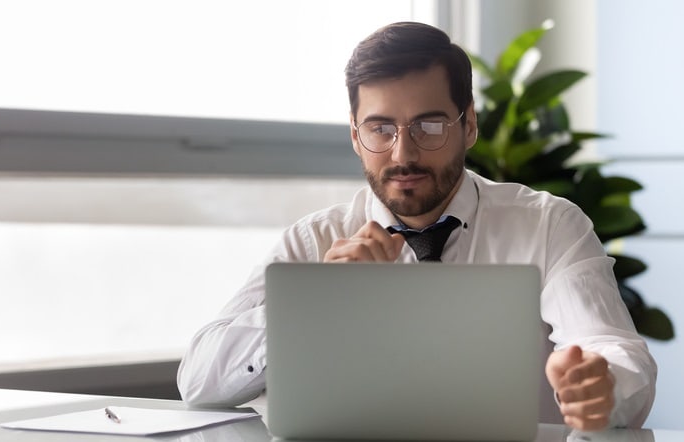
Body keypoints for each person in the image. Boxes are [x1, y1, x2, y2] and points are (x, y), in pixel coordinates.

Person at [176, 21, 656, 431]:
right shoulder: (314, 240)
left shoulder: (550, 225)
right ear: (355, 135)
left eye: (428, 127)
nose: (402, 154)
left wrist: (603, 387)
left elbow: (612, 349)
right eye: (380, 129)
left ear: (468, 125)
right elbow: (197, 381)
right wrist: (312, 304)